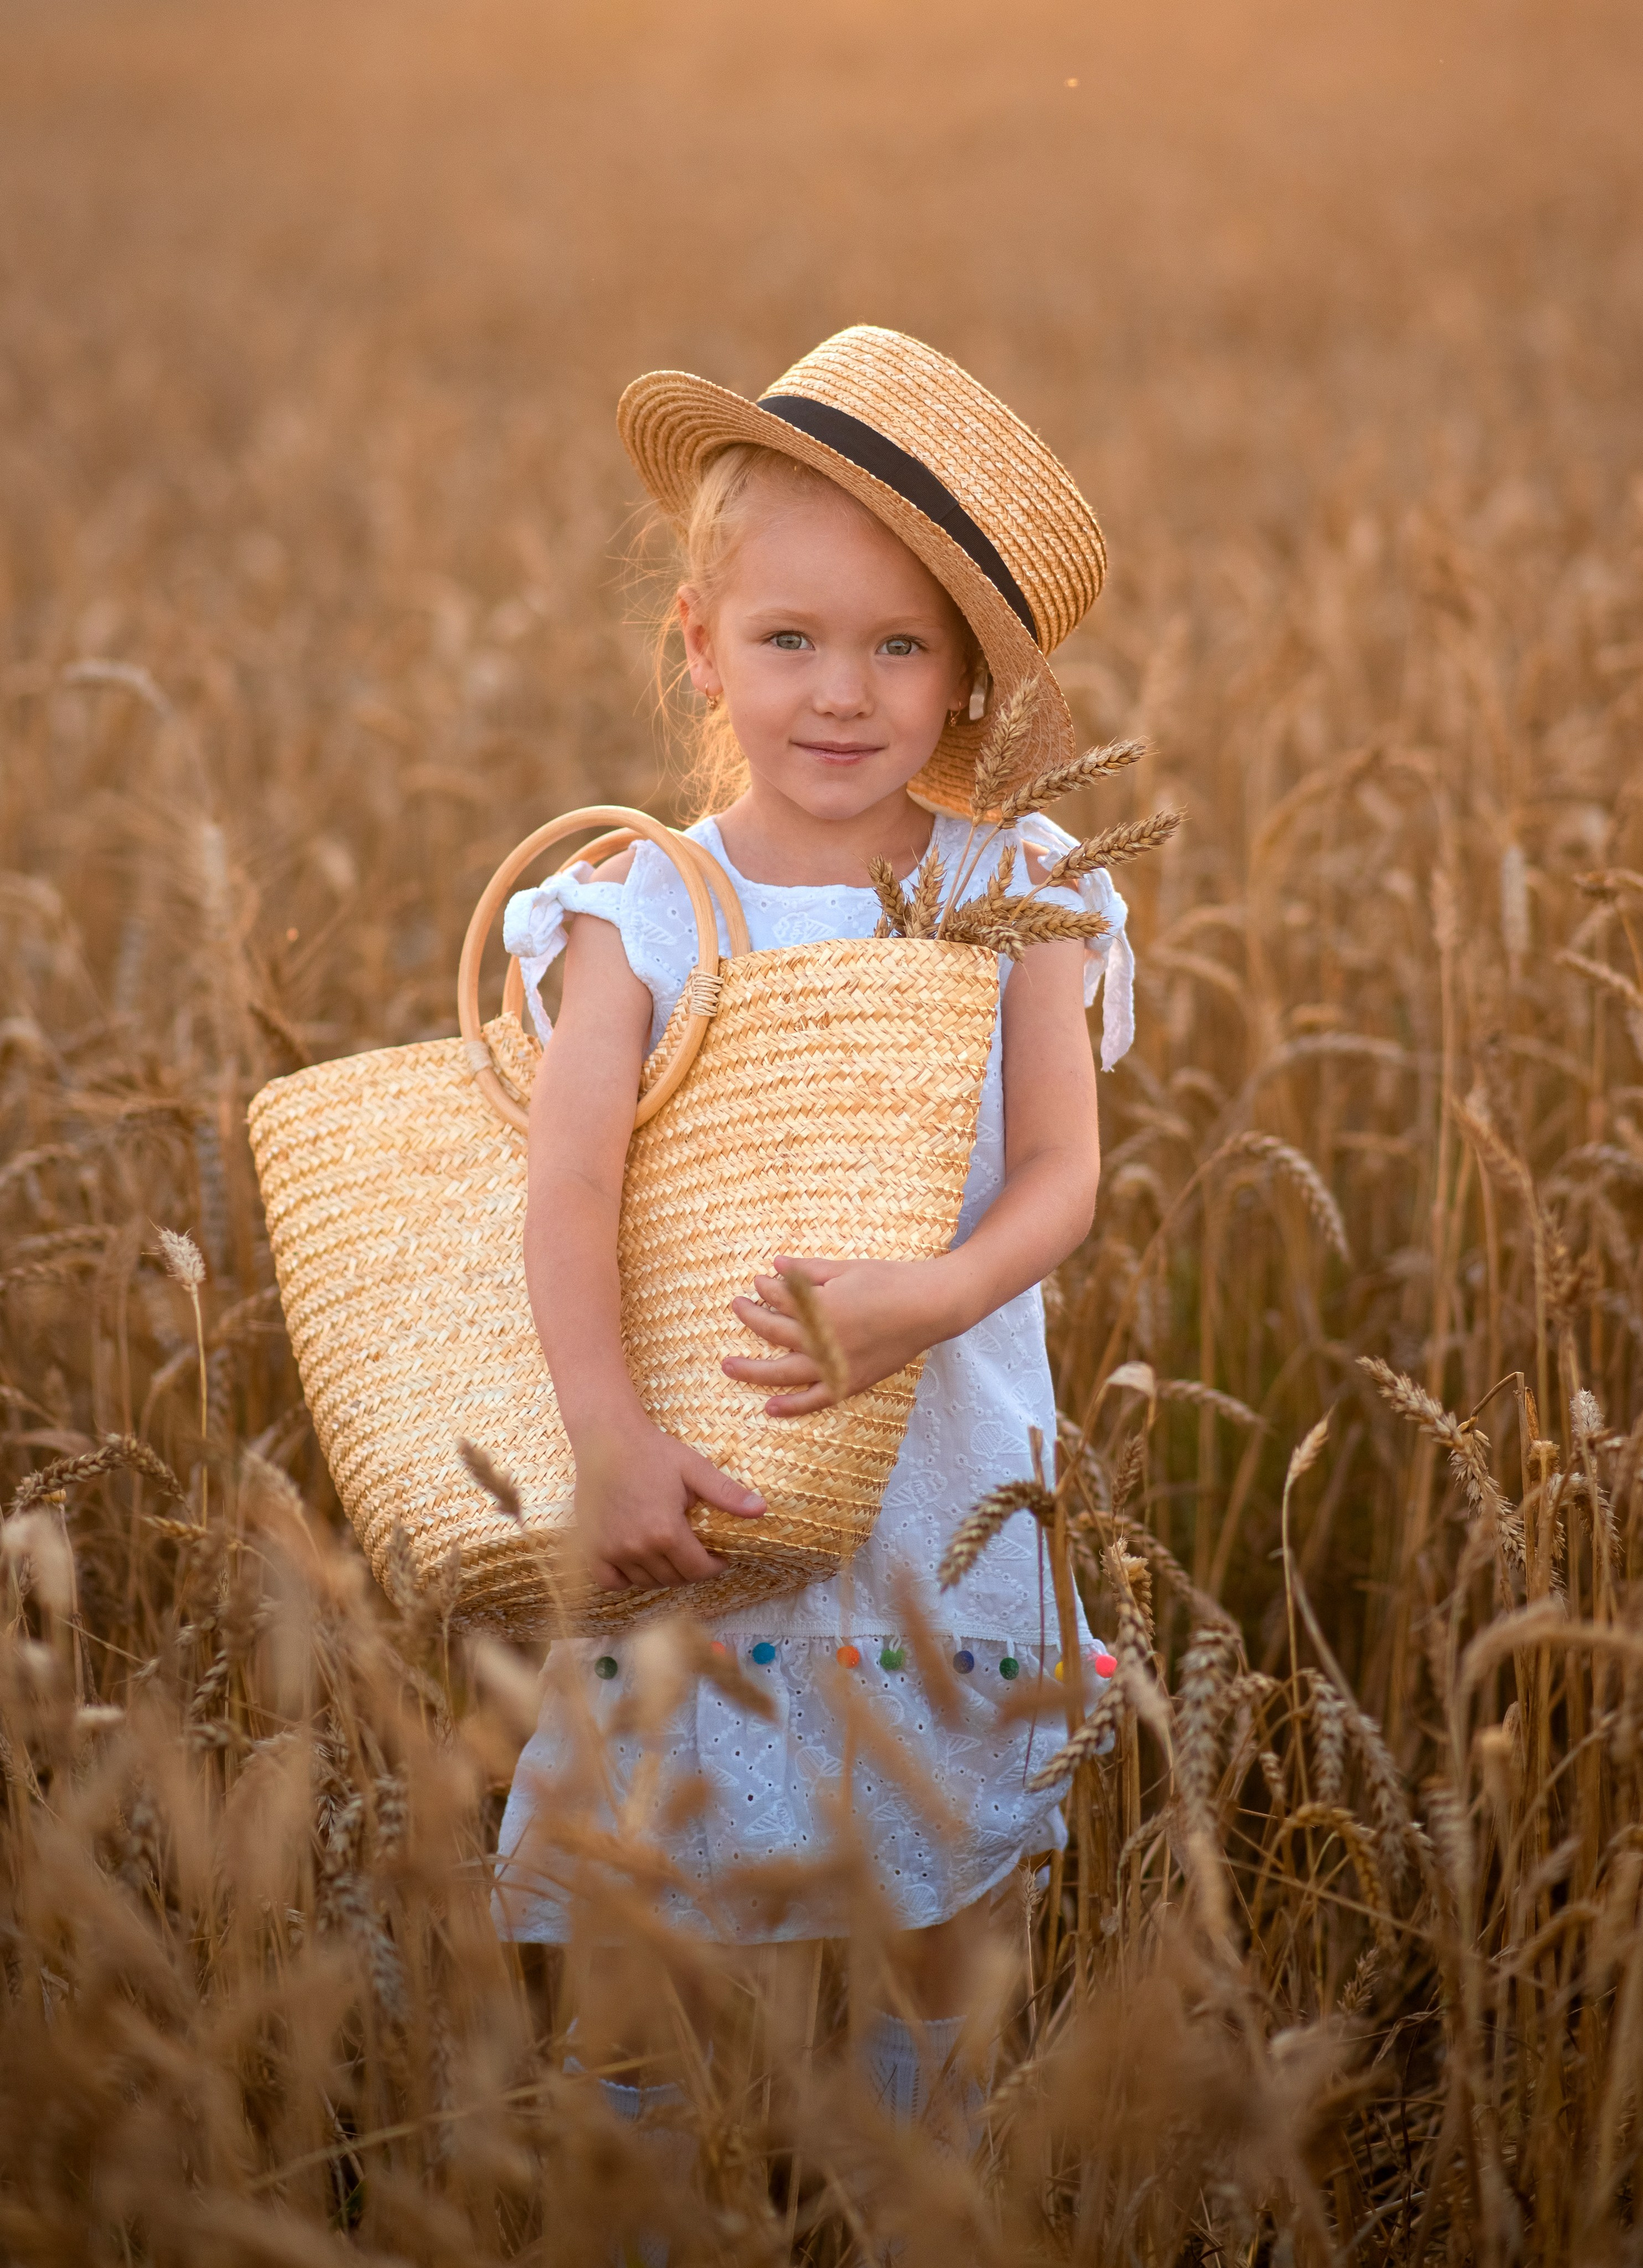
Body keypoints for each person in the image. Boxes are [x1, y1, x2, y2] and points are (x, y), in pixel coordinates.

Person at [491, 326, 1135, 2166]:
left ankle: (911, 2186)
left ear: (966, 683)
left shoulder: (1020, 892)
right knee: (656, 1919)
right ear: (700, 644)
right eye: (788, 640)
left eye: (897, 646)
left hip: (950, 1493)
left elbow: (1059, 1177)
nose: (840, 693)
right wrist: (606, 1429)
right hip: (703, 1493)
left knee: (944, 1932)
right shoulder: (636, 911)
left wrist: (931, 1295)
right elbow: (569, 1190)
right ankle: (645, 2188)